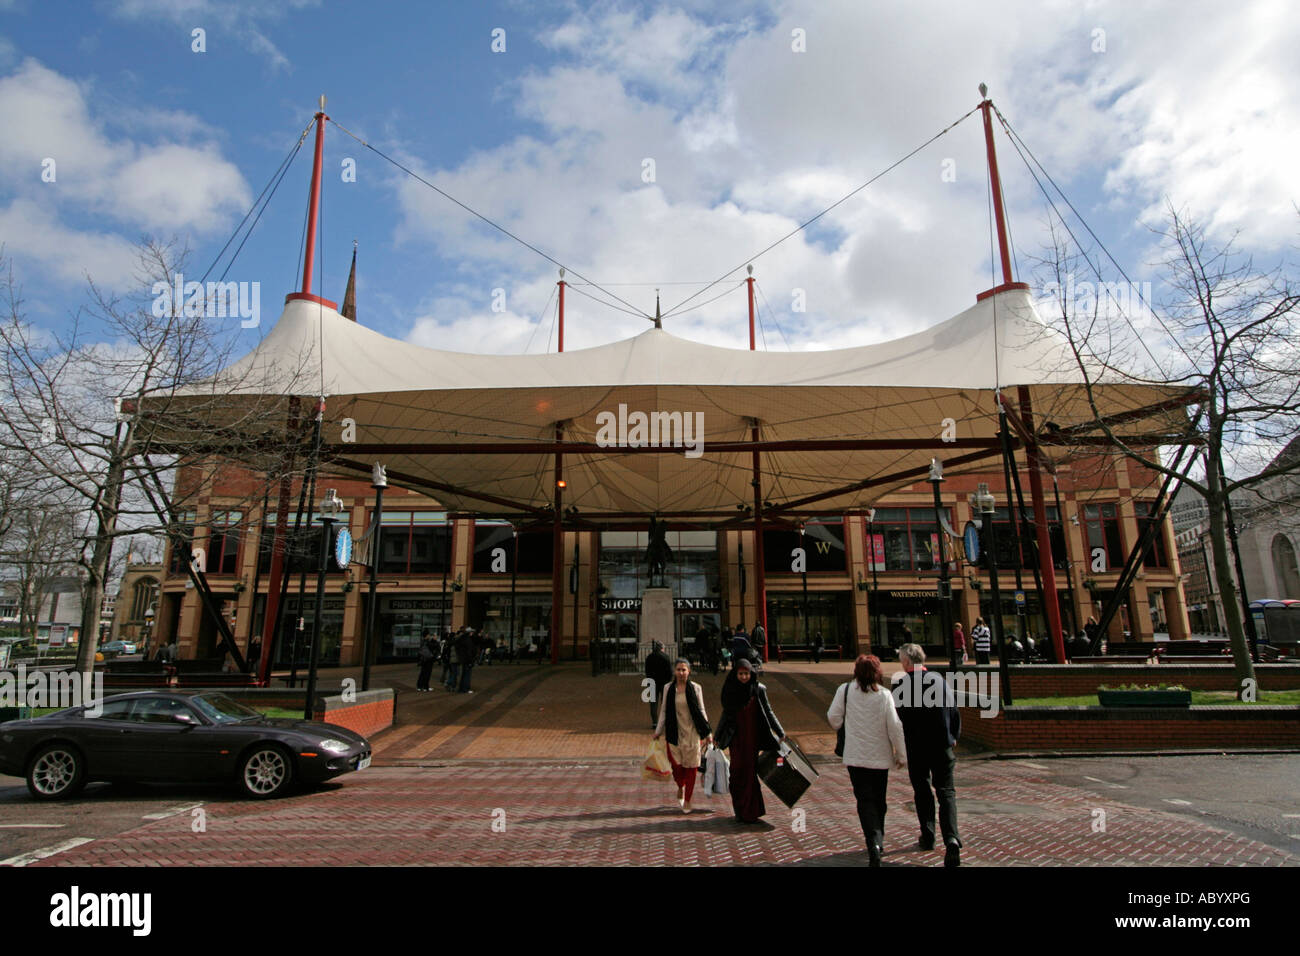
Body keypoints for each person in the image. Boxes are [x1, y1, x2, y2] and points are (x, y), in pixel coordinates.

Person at [827, 654, 907, 866]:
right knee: (879, 799)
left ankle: (873, 841)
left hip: (855, 756)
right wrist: (901, 754)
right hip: (880, 757)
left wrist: (847, 727)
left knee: (864, 800)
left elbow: (833, 717)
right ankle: (877, 838)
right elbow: (895, 727)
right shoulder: (884, 695)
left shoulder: (845, 691)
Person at [892, 643, 962, 867]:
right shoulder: (939, 681)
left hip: (916, 748)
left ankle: (928, 834)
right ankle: (951, 837)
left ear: (906, 662)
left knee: (922, 791)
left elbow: (897, 720)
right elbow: (953, 711)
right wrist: (953, 735)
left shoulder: (901, 686)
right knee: (946, 792)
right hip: (942, 746)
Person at [714, 657, 785, 824]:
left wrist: (780, 731)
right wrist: (717, 736)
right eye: (740, 673)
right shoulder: (730, 689)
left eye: (746, 673)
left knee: (749, 774)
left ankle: (751, 811)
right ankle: (739, 809)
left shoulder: (758, 689)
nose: (744, 677)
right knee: (736, 772)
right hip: (736, 739)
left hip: (752, 738)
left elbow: (768, 711)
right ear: (735, 673)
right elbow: (726, 714)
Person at [653, 659, 713, 813]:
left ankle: (688, 800)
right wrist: (658, 731)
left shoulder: (696, 688)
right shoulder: (668, 688)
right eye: (678, 670)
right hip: (674, 732)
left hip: (692, 732)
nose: (681, 673)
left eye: (684, 670)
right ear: (674, 671)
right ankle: (681, 785)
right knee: (677, 766)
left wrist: (707, 732)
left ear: (689, 672)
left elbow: (701, 710)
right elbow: (664, 710)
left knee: (692, 766)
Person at [644, 640, 673, 729]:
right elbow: (669, 671)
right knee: (664, 702)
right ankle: (664, 720)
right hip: (663, 682)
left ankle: (655, 722)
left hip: (652, 682)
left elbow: (647, 670)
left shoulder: (649, 657)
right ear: (661, 648)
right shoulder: (666, 657)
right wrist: (669, 681)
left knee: (653, 703)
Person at [457, 628, 479, 693]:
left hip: (464, 659)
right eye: (471, 632)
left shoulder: (462, 639)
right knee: (467, 675)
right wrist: (471, 660)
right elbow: (469, 651)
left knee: (464, 674)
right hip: (467, 660)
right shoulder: (468, 640)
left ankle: (462, 688)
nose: (472, 633)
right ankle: (465, 688)